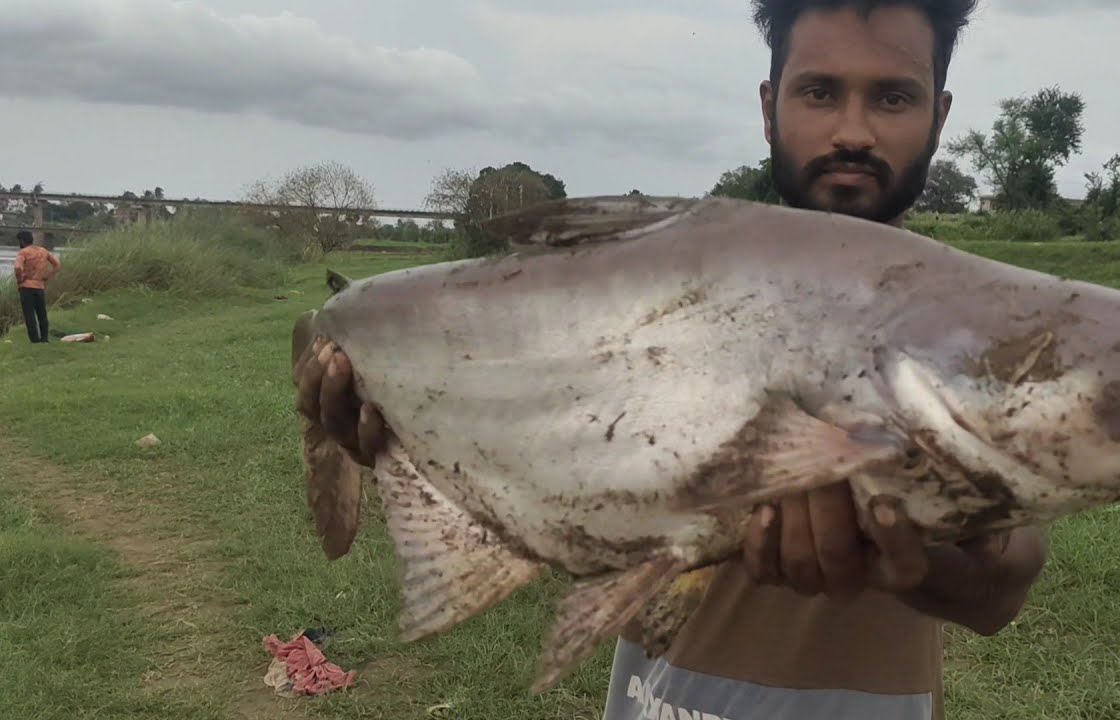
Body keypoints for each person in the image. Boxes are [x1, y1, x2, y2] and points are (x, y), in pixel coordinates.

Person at [293, 1, 1049, 718]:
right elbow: (543, 456)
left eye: (892, 97)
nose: (852, 131)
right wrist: (414, 438)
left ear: (939, 115)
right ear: (769, 107)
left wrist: (902, 555)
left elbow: (1001, 585)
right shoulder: (661, 284)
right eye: (820, 92)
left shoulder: (969, 326)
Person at [12, 230, 60, 343]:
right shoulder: (43, 251)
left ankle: (34, 339)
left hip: (26, 287)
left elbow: (18, 267)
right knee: (42, 314)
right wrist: (48, 275)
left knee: (29, 314)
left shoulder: (23, 252)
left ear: (22, 241)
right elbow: (57, 265)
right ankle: (44, 338)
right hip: (39, 286)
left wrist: (20, 279)